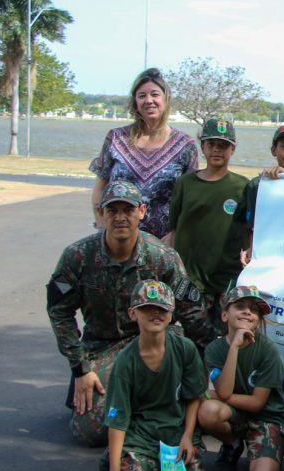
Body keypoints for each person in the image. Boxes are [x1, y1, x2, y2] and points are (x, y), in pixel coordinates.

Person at [46, 180, 216, 447]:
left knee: (200, 412)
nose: (120, 217)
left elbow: (193, 314)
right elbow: (59, 313)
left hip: (154, 339)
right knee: (88, 432)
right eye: (113, 210)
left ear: (142, 212)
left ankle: (150, 410)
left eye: (128, 209)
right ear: (101, 214)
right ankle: (143, 406)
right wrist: (80, 368)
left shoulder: (162, 257)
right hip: (102, 345)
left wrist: (207, 374)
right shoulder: (77, 257)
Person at [93, 280, 206, 471]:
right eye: (147, 308)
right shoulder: (125, 362)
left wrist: (188, 435)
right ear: (133, 313)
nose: (156, 313)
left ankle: (155, 470)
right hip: (141, 437)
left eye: (162, 309)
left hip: (175, 434)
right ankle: (124, 464)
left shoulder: (185, 348)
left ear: (171, 314)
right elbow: (118, 421)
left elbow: (194, 396)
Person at [198, 286, 284, 471]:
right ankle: (233, 444)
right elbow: (224, 391)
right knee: (208, 410)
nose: (247, 312)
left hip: (267, 417)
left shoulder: (269, 351)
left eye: (254, 310)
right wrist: (234, 348)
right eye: (240, 306)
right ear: (224, 315)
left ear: (258, 320)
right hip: (235, 413)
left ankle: (261, 448)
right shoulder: (214, 349)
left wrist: (215, 395)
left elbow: (257, 403)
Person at [90, 68, 198, 239]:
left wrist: (174, 236)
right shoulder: (116, 138)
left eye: (155, 94)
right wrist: (102, 223)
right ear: (135, 102)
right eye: (142, 96)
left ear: (165, 99)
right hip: (118, 238)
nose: (149, 101)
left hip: (163, 244)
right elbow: (100, 186)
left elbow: (191, 198)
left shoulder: (185, 145)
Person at [168, 117, 248, 329]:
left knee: (224, 333)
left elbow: (248, 229)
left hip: (225, 276)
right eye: (211, 144)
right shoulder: (186, 183)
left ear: (233, 149)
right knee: (193, 332)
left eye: (223, 145)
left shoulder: (242, 186)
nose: (217, 150)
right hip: (190, 277)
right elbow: (173, 227)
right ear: (202, 146)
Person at [240, 124, 284, 262]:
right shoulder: (258, 185)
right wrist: (249, 248)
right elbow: (247, 226)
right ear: (273, 150)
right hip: (267, 254)